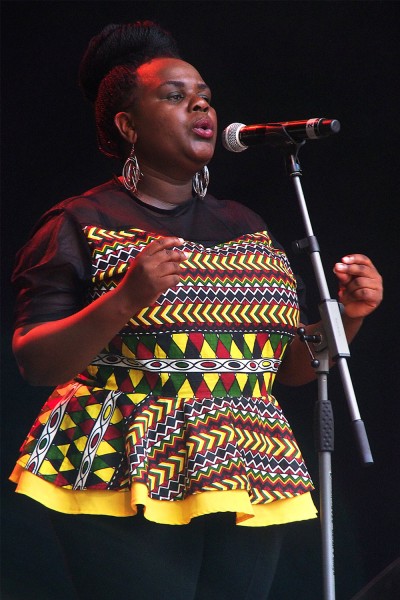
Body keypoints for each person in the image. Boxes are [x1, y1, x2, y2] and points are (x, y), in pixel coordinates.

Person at [10, 20, 383, 600]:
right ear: (128, 124)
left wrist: (349, 316)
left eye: (204, 97)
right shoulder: (82, 222)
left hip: (247, 461)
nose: (200, 106)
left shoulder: (246, 226)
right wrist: (126, 298)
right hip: (122, 463)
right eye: (175, 96)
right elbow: (36, 361)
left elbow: (281, 369)